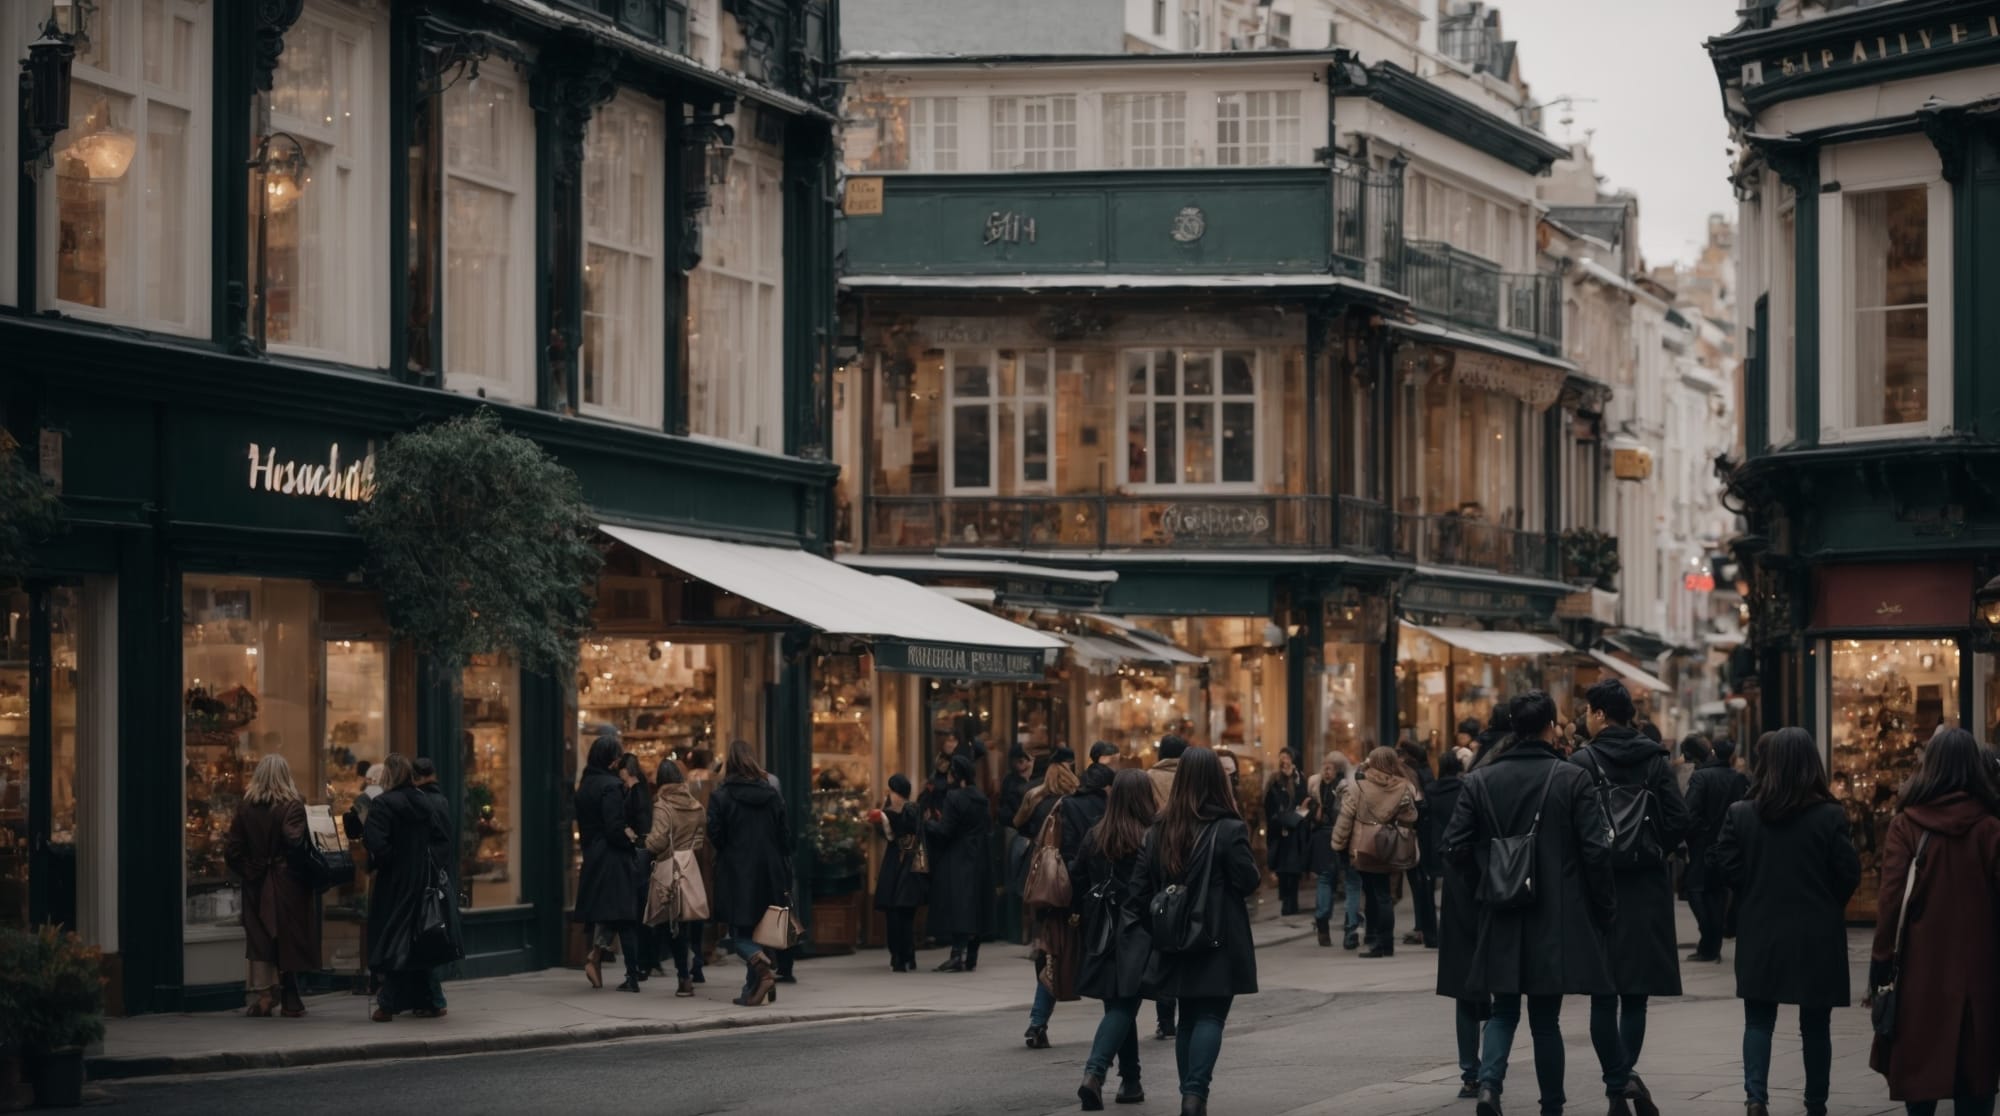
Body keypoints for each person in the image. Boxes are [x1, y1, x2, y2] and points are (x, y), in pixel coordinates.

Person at [1443, 690, 1617, 1116]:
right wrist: (1601, 906)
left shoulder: (1481, 780)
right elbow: (1596, 851)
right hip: (1554, 915)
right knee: (1545, 1020)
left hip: (1501, 911)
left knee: (1502, 1010)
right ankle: (1552, 1107)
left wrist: (1486, 880)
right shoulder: (1570, 778)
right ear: (1549, 727)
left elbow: (1454, 845)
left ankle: (1489, 1087)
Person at [1710, 727, 1861, 1116]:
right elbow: (1848, 873)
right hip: (1817, 932)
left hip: (1761, 928)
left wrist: (1752, 891)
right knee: (1815, 1024)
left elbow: (1725, 863)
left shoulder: (1742, 813)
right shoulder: (1829, 816)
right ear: (1812, 764)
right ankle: (1816, 1103)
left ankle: (1756, 1097)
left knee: (1758, 1019)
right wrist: (1828, 902)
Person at [1868, 727, 2000, 1116]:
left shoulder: (1906, 824)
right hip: (1980, 970)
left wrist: (1880, 961)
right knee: (1976, 1077)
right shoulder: (1991, 828)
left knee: (1919, 1071)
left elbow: (1890, 900)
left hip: (1919, 971)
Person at [1574, 678, 1689, 1116]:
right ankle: (1622, 1081)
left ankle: (1617, 1084)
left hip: (1598, 886)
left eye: (1588, 711)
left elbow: (1575, 828)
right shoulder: (1655, 760)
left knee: (1602, 993)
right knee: (1635, 994)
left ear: (1601, 714)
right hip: (1645, 885)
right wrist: (1654, 845)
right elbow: (1679, 820)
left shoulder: (1583, 761)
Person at [1128, 747, 1260, 1116]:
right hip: (1219, 935)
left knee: (1187, 1016)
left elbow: (1139, 890)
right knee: (1211, 1016)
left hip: (1172, 936)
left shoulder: (1158, 829)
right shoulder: (1230, 829)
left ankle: (1190, 1094)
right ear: (1218, 782)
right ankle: (1194, 1095)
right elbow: (1248, 880)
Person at [1072, 768, 1156, 1110]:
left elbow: (1076, 878)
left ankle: (1132, 1080)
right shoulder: (1149, 836)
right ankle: (1095, 1072)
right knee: (1125, 1005)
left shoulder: (1096, 834)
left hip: (1101, 930)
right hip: (1137, 931)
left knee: (1118, 1005)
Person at [222, 754, 317, 1019]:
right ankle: (290, 996)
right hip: (287, 882)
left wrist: (251, 869)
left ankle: (265, 996)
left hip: (257, 882)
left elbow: (232, 850)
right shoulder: (293, 806)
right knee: (288, 937)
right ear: (285, 776)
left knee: (262, 937)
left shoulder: (246, 807)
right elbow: (297, 844)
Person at [362, 754, 451, 1022]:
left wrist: (390, 859)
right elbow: (440, 839)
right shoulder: (424, 801)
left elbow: (376, 843)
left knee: (393, 939)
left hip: (393, 882)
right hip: (422, 879)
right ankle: (431, 1000)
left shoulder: (383, 804)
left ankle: (387, 1003)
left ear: (388, 776)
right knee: (415, 938)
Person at [707, 740, 792, 1007]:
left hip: (737, 871)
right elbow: (785, 835)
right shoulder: (771, 795)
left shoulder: (721, 796)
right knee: (761, 930)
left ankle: (762, 967)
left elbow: (715, 835)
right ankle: (751, 990)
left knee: (741, 934)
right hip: (770, 871)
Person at [1429, 747, 1483, 1100]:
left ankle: (1473, 1072)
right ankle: (1489, 1071)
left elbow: (1449, 844)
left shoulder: (1460, 792)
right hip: (1506, 895)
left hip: (1462, 899)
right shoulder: (1478, 789)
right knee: (1502, 997)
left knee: (1467, 993)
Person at [1331, 746, 1420, 958]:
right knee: (1384, 895)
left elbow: (1345, 819)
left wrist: (1337, 844)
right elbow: (1410, 818)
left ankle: (1374, 940)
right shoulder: (1403, 787)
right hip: (1389, 846)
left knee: (1370, 892)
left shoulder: (1358, 787)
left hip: (1363, 846)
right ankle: (1385, 942)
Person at [573, 730, 644, 992]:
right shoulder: (611, 786)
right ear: (612, 760)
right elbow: (615, 827)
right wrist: (631, 842)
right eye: (618, 758)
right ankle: (632, 976)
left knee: (606, 912)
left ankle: (595, 959)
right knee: (625, 916)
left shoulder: (585, 786)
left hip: (593, 853)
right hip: (613, 856)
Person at [644, 758, 709, 997]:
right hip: (690, 863)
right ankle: (695, 966)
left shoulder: (662, 805)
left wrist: (647, 843)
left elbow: (658, 840)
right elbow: (701, 833)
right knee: (692, 918)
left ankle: (684, 976)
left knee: (672, 924)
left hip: (669, 864)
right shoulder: (694, 803)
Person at [1683, 737, 1751, 962]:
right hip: (1728, 844)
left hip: (1704, 845)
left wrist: (1696, 836)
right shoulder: (1739, 779)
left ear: (1713, 751)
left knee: (1696, 889)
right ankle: (1713, 941)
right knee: (1718, 892)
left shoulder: (1701, 777)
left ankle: (1709, 939)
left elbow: (1690, 814)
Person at [928, 752, 993, 973]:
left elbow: (945, 830)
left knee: (958, 904)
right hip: (979, 855)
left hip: (958, 855)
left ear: (956, 775)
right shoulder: (981, 798)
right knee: (974, 903)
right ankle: (972, 956)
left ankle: (957, 954)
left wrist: (928, 824)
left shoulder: (953, 797)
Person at [1146, 733, 1188, 1039]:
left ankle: (1165, 1019)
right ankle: (1186, 1009)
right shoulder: (1192, 778)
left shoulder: (1150, 778)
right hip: (1189, 855)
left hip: (1159, 855)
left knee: (1163, 933)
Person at [411, 758, 455, 1017]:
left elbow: (438, 843)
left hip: (428, 878)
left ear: (416, 778)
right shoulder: (440, 799)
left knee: (426, 932)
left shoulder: (426, 802)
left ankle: (435, 999)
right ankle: (428, 998)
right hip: (437, 876)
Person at [872, 774, 927, 974]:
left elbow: (908, 828)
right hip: (896, 863)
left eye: (892, 791)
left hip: (906, 865)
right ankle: (902, 955)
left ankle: (903, 956)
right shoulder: (894, 810)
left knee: (903, 913)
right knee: (896, 912)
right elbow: (887, 835)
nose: (890, 795)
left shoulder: (911, 809)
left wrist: (888, 815)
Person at [1306, 752, 1354, 948]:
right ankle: (1349, 928)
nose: (1327, 771)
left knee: (1326, 879)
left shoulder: (1317, 786)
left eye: (1330, 767)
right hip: (1341, 835)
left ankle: (1323, 923)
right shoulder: (1348, 787)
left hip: (1325, 836)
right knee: (1349, 881)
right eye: (1326, 766)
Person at [1398, 738, 1439, 948]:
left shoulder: (1414, 776)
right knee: (1422, 883)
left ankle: (1424, 928)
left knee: (1420, 882)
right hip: (1423, 835)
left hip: (1418, 835)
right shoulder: (1426, 773)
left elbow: (1420, 806)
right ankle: (1423, 927)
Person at [1263, 748, 1311, 917]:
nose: (1285, 761)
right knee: (1284, 870)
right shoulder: (1274, 781)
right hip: (1281, 832)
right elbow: (1271, 808)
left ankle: (1292, 904)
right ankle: (1287, 904)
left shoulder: (1301, 779)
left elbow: (1305, 802)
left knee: (1294, 870)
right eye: (1282, 757)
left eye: (1287, 757)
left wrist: (1299, 815)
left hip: (1297, 832)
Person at [1000, 746, 1036, 825]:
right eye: (1020, 760)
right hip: (1013, 826)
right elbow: (1021, 811)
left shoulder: (1012, 779)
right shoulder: (1013, 782)